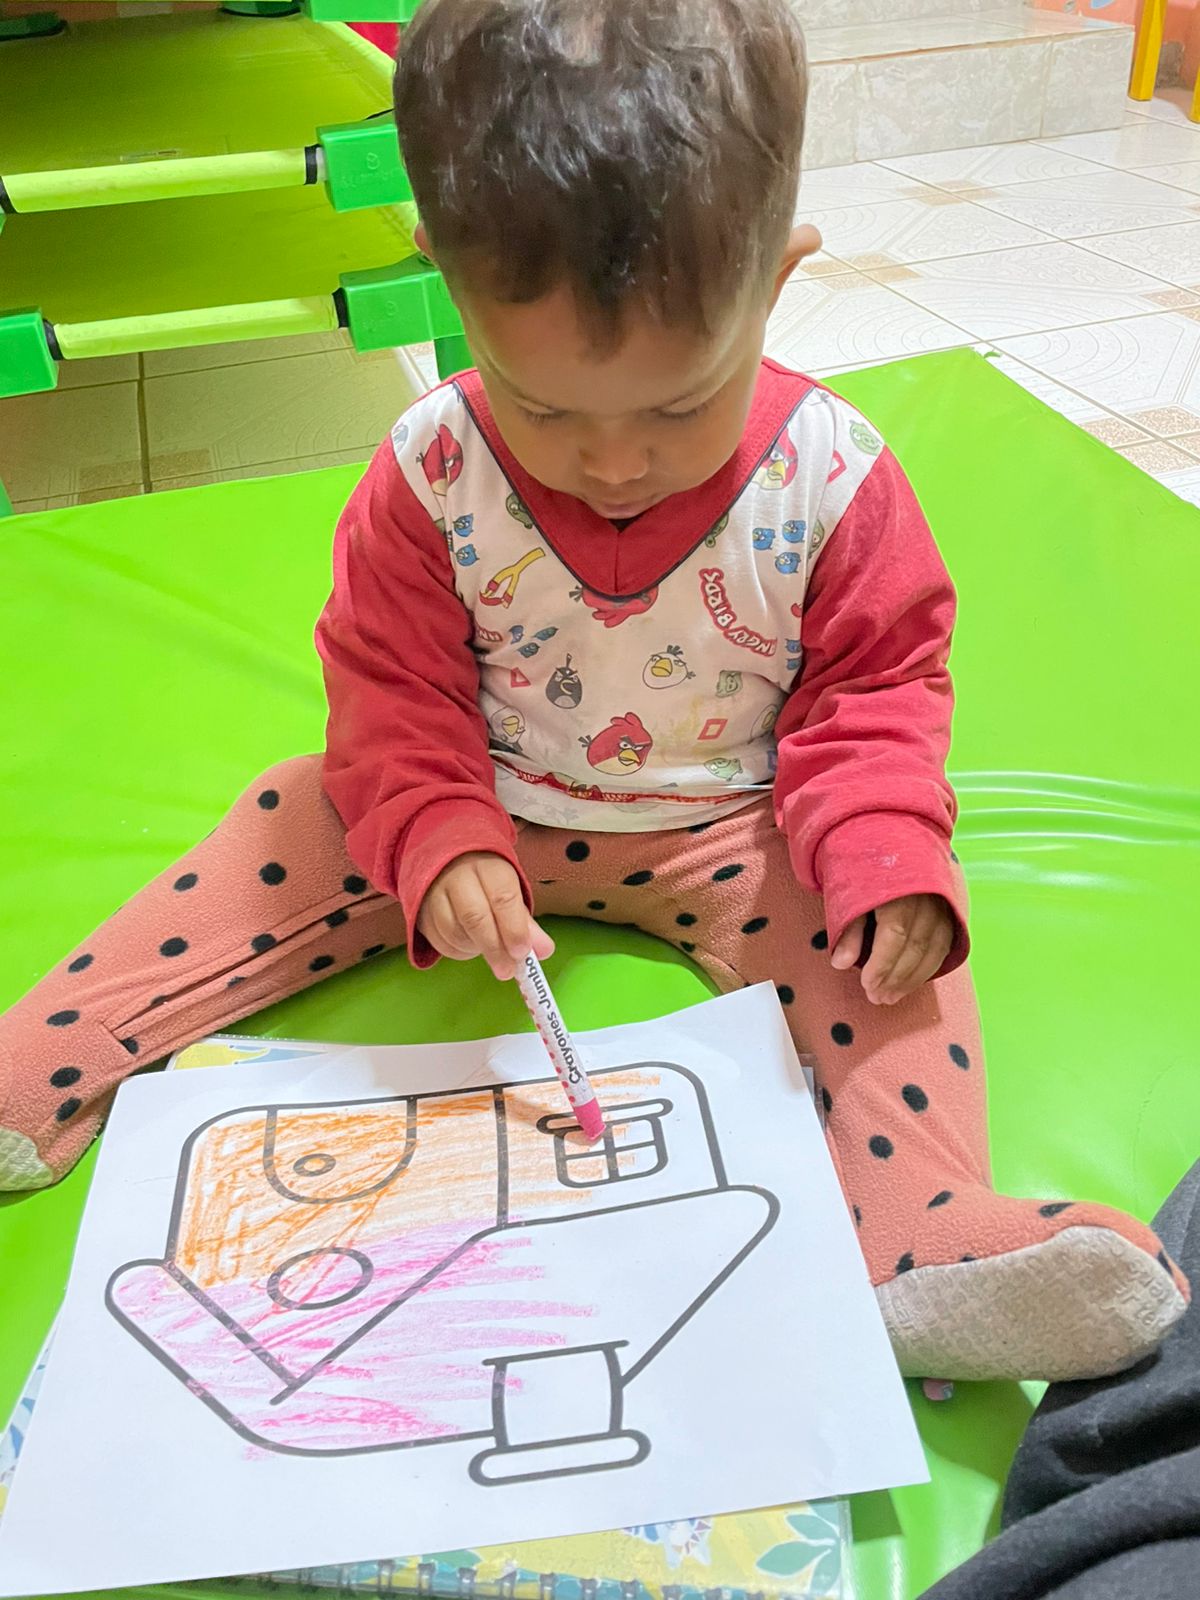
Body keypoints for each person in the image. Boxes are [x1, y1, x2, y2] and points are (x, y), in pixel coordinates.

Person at [0, 0, 1186, 1381]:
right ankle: (39, 1063)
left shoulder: (834, 475)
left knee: (892, 930)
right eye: (546, 407)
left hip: (736, 833)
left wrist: (880, 844)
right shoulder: (429, 472)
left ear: (778, 280)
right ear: (452, 293)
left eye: (680, 405)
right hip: (484, 811)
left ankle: (917, 1236)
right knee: (285, 817)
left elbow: (879, 688)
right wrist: (437, 829)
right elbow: (390, 688)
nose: (615, 465)